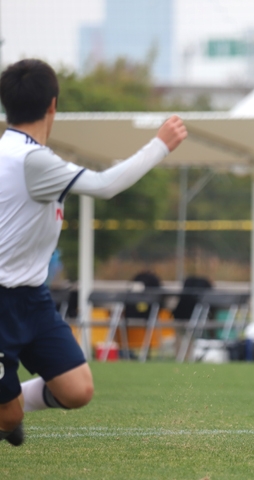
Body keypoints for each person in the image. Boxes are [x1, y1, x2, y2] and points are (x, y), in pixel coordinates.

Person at [0, 59, 187, 447]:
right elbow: (104, 185)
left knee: (78, 390)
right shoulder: (29, 158)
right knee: (9, 415)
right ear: (54, 104)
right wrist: (161, 145)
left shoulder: (21, 154)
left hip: (32, 300)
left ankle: (8, 397)